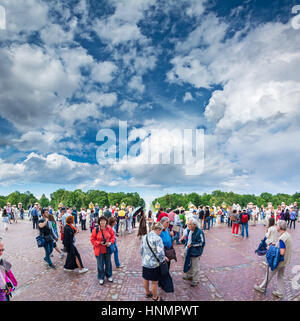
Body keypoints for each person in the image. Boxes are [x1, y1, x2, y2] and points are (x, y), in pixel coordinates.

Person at [254, 220, 292, 298]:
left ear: (280, 227)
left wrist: (271, 248)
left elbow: (281, 252)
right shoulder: (287, 235)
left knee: (269, 274)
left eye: (277, 225)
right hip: (285, 261)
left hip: (279, 261)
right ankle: (280, 292)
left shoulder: (282, 238)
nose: (276, 226)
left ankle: (262, 287)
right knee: (280, 276)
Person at [140, 222, 167, 301]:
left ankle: (147, 293)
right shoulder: (158, 239)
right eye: (161, 230)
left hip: (145, 262)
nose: (161, 232)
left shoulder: (144, 237)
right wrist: (162, 259)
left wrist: (144, 258)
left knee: (145, 278)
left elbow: (141, 250)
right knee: (154, 282)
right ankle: (155, 297)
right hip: (154, 264)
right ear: (158, 229)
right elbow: (160, 252)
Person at [180, 218, 205, 287]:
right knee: (188, 263)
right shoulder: (189, 231)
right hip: (188, 250)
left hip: (195, 252)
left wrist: (192, 244)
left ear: (194, 225)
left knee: (195, 266)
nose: (188, 225)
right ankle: (189, 276)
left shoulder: (199, 232)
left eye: (190, 224)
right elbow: (188, 240)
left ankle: (195, 280)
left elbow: (202, 243)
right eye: (188, 224)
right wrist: (183, 241)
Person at [90, 216, 115, 285]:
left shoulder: (109, 228)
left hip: (107, 249)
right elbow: (92, 239)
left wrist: (110, 242)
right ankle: (101, 277)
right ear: (99, 222)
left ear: (106, 221)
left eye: (104, 221)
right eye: (101, 221)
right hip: (99, 249)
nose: (102, 222)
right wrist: (99, 243)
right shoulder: (96, 230)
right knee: (100, 264)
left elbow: (113, 236)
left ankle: (109, 275)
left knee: (108, 263)